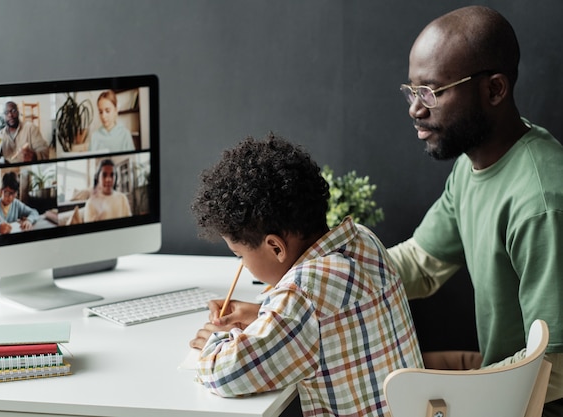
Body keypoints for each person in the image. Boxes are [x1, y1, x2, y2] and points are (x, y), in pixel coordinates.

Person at [388, 6, 563, 415]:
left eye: (430, 91)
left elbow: (555, 369)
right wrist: (309, 288)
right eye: (411, 91)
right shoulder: (473, 167)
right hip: (501, 379)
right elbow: (420, 264)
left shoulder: (542, 203)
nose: (415, 108)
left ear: (495, 90)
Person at [189, 134, 423, 416]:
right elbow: (331, 318)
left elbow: (224, 374)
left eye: (240, 256)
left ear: (275, 247)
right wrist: (265, 311)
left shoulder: (303, 294)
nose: (242, 266)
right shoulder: (364, 241)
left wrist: (220, 337)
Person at [0, 171, 40, 235]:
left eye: (13, 193)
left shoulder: (17, 204)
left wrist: (29, 220)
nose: (10, 197)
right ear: (1, 191)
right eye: (7, 193)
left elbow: (34, 212)